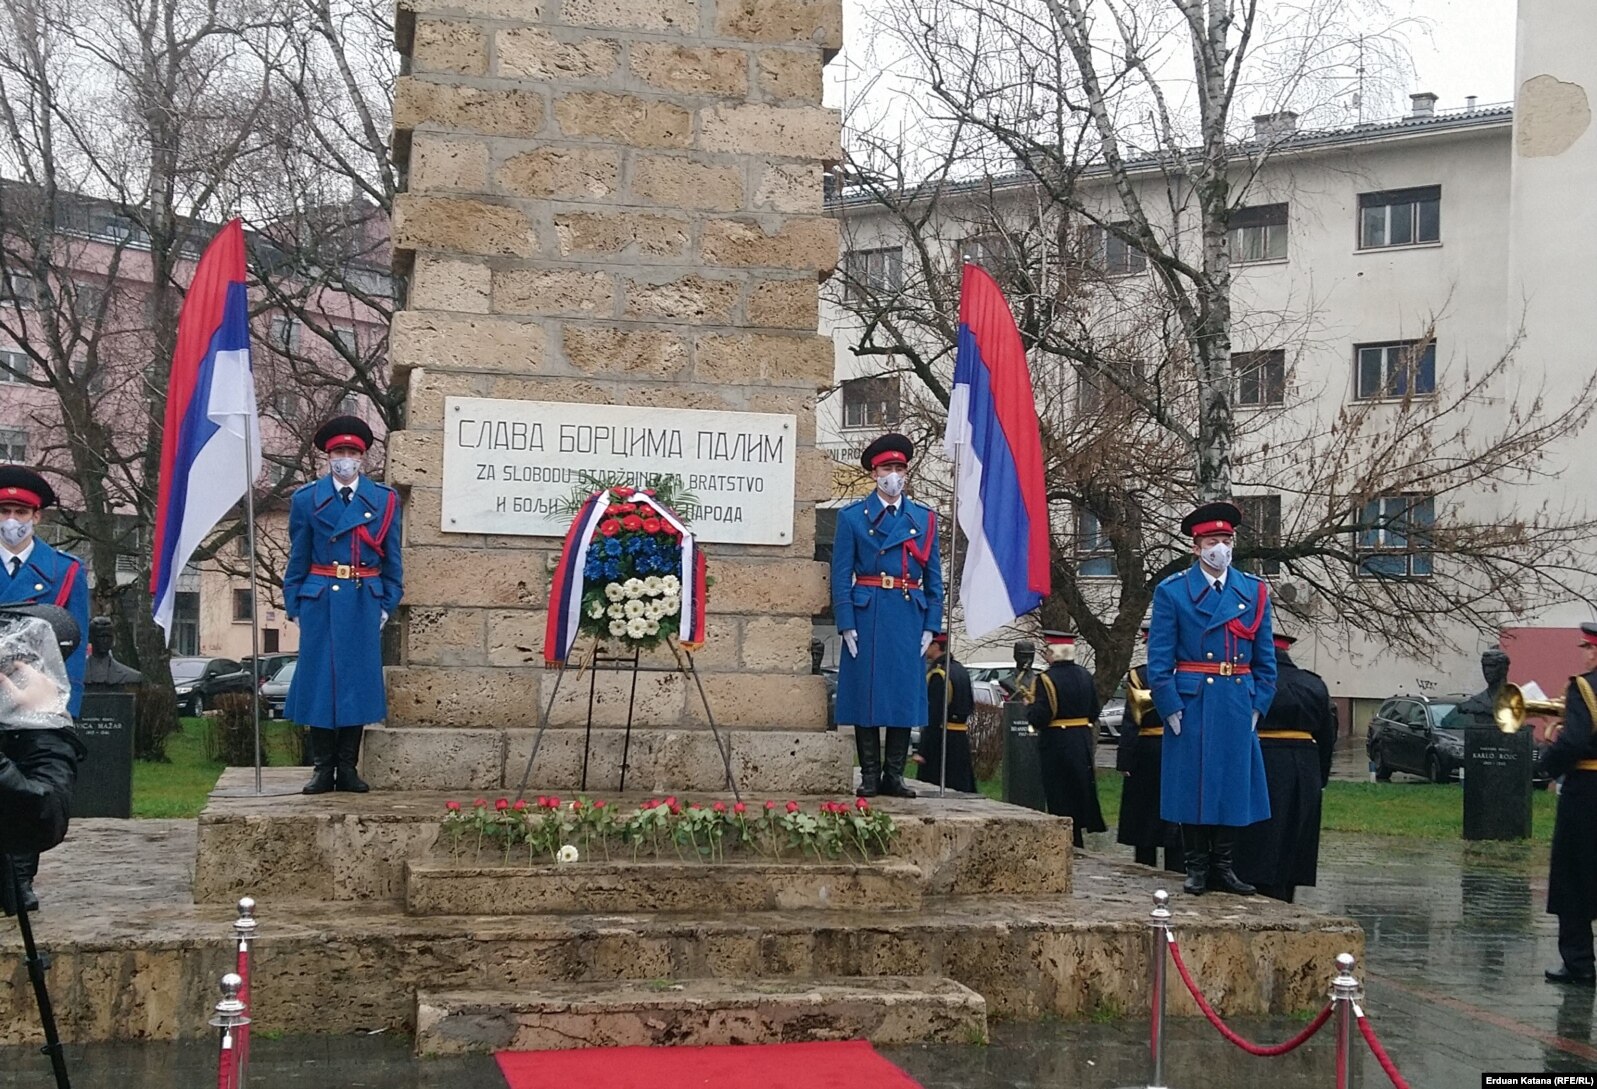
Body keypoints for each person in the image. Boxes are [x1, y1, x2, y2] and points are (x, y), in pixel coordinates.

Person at [1148, 500, 1276, 896]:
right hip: (1194, 699)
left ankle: (1224, 865)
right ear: (1196, 547)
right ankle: (1197, 866)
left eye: (1226, 539)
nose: (1221, 548)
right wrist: (1169, 704)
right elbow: (1159, 658)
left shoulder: (1252, 591)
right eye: (1213, 541)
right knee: (1193, 784)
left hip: (1236, 699)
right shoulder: (1173, 592)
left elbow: (1265, 657)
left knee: (1231, 784)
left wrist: (1259, 702)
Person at [283, 416, 404, 795]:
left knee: (356, 684)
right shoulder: (306, 500)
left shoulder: (384, 500)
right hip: (319, 599)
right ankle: (322, 768)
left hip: (362, 599)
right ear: (328, 456)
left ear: (363, 457)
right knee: (320, 684)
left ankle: (348, 768)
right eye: (339, 452)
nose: (345, 459)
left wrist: (387, 601)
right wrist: (295, 603)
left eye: (352, 452)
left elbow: (393, 558)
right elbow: (297, 557)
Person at [830, 432, 944, 799]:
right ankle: (869, 775)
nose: (894, 474)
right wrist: (845, 621)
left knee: (901, 694)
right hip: (867, 612)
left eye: (899, 467)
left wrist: (932, 625)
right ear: (874, 473)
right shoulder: (852, 518)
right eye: (887, 468)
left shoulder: (924, 519)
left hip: (907, 611)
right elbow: (840, 574)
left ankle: (894, 775)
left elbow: (935, 579)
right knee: (866, 695)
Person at [0, 466, 88, 913]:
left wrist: (62, 708)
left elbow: (74, 646)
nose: (12, 519)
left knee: (30, 789)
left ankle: (20, 878)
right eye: (5, 510)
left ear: (37, 518)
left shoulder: (64, 570)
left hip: (35, 702)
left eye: (21, 511)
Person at [1234, 633, 1336, 903]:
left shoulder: (1248, 681)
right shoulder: (1314, 684)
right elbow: (1327, 736)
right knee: (1294, 834)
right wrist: (1319, 778)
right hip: (1305, 766)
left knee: (1255, 836)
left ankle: (1251, 886)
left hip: (1258, 758)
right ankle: (1285, 891)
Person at [1539, 622, 1597, 985]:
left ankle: (1579, 963)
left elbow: (1574, 743)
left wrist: (1549, 758)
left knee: (1574, 876)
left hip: (1587, 793)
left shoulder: (1583, 687)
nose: (1586, 654)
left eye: (1588, 648)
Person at [1027, 631, 1107, 847]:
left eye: (1047, 650)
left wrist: (1029, 708)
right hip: (1081, 739)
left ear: (1054, 652)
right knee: (1079, 788)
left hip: (1056, 743)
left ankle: (1065, 841)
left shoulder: (1046, 679)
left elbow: (1042, 716)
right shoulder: (1084, 675)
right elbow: (1094, 711)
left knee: (1059, 792)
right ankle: (1078, 837)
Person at [1116, 624, 1181, 872]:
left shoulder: (1139, 676)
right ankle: (1177, 865)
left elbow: (1132, 721)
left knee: (1144, 810)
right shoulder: (1185, 674)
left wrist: (1125, 760)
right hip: (1179, 748)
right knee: (1176, 808)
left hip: (1147, 750)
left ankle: (1145, 863)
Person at [918, 632, 975, 793]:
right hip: (960, 738)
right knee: (961, 787)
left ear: (936, 646)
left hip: (942, 740)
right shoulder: (960, 669)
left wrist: (923, 750)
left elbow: (934, 714)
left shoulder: (939, 674)